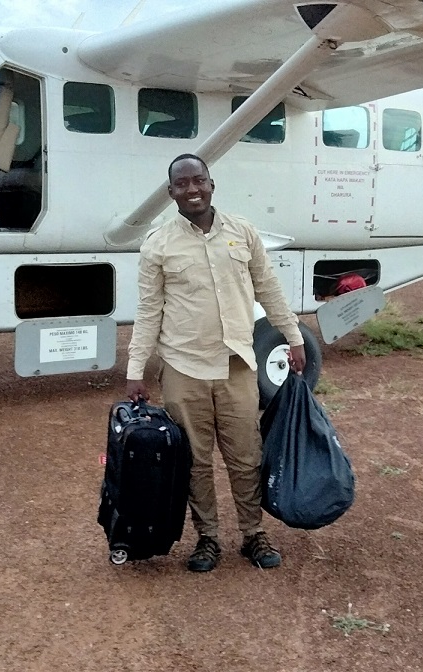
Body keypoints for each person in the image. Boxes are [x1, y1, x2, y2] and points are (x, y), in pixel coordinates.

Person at [126, 153, 306, 572]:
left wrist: (293, 337)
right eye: (182, 184)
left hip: (237, 365)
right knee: (194, 460)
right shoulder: (158, 244)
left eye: (199, 181)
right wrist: (136, 370)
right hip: (184, 368)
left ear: (211, 184)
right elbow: (149, 311)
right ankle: (207, 538)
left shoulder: (243, 233)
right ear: (170, 192)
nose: (192, 190)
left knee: (246, 456)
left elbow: (269, 289)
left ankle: (252, 533)